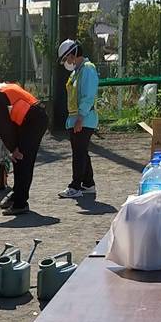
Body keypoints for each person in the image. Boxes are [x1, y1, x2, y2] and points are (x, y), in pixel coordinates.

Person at [0, 68, 48, 214]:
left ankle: (20, 203)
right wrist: (14, 146)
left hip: (33, 121)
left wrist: (13, 148)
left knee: (23, 159)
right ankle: (17, 195)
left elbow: (3, 125)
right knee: (19, 160)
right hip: (31, 118)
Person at [57, 39, 100, 201]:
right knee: (81, 151)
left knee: (79, 153)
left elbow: (88, 95)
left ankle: (75, 186)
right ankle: (88, 183)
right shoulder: (77, 72)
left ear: (73, 54)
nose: (66, 62)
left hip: (84, 119)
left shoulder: (87, 69)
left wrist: (80, 118)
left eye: (66, 58)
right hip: (77, 118)